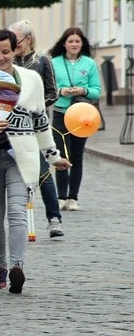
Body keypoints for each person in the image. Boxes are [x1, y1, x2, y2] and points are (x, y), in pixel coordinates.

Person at [0, 29, 70, 294]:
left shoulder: (31, 80)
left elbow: (41, 123)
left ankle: (16, 267)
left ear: (15, 51)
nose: (1, 57)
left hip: (20, 158)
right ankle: (0, 266)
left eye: (6, 52)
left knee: (18, 212)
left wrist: (53, 157)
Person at [11, 20, 63, 237]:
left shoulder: (42, 61)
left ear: (28, 39)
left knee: (42, 171)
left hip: (35, 126)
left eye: (16, 40)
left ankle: (54, 218)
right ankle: (18, 220)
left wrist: (36, 106)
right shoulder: (9, 61)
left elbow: (53, 92)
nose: (13, 45)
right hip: (11, 126)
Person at [48, 27, 101, 212]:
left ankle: (73, 197)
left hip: (82, 114)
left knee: (77, 157)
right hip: (61, 113)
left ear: (82, 44)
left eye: (77, 41)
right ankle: (61, 197)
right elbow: (49, 88)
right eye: (71, 41)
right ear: (64, 43)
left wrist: (83, 91)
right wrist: (61, 91)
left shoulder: (89, 63)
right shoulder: (53, 63)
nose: (74, 44)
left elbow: (97, 90)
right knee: (62, 156)